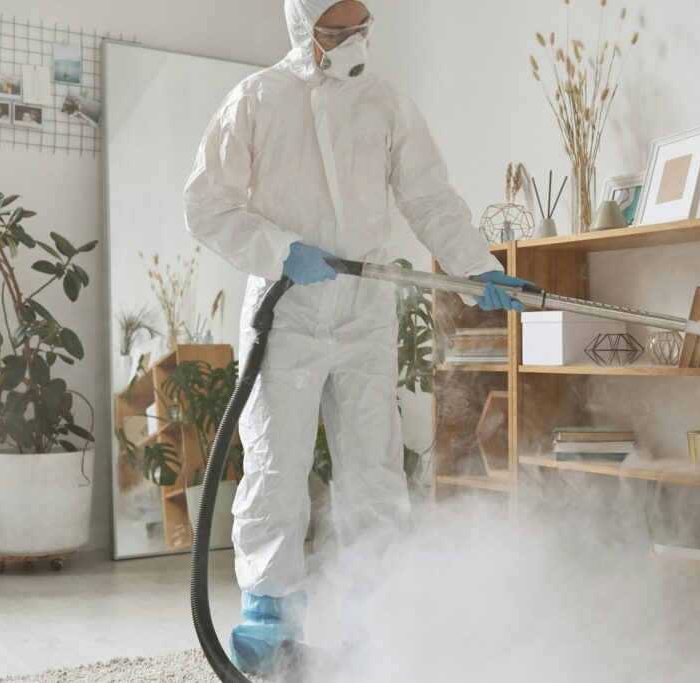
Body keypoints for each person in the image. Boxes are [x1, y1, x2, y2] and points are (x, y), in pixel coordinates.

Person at [183, 0, 528, 675]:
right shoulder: (256, 99)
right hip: (288, 308)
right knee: (276, 464)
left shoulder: (387, 104)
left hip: (366, 308)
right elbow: (206, 205)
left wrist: (478, 266)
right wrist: (280, 250)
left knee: (373, 467)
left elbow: (429, 196)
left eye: (361, 27)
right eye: (336, 31)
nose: (353, 42)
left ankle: (379, 621)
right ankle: (270, 623)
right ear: (302, 27)